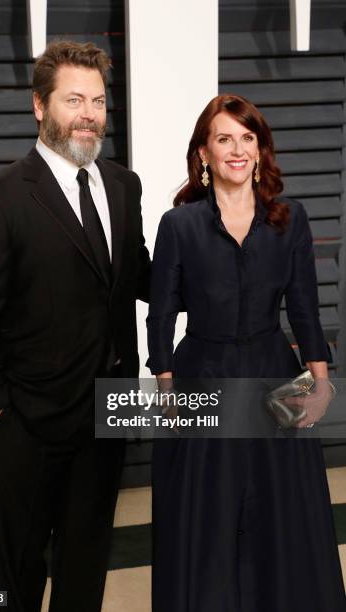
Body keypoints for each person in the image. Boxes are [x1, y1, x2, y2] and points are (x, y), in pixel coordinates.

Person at [0, 41, 150, 612]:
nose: (89, 113)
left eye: (99, 101)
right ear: (40, 106)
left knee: (86, 564)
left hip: (109, 410)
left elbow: (139, 275)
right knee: (20, 572)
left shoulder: (122, 185)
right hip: (29, 418)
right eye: (74, 99)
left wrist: (217, 242)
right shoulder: (1, 194)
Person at [147, 94, 346, 611]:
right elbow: (161, 314)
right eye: (223, 138)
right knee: (204, 515)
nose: (237, 149)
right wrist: (165, 386)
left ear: (260, 150)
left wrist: (321, 381)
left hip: (274, 374)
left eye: (247, 137)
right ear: (204, 154)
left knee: (279, 512)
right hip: (199, 377)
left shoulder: (289, 219)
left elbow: (304, 304)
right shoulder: (180, 225)